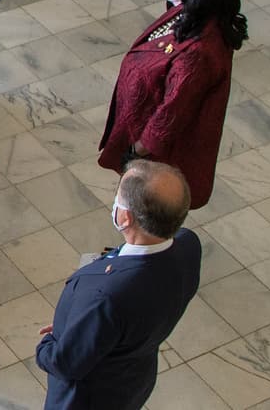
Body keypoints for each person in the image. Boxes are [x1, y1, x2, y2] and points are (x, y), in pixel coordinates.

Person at [35, 160, 202, 410]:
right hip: (132, 379)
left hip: (88, 399)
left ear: (125, 217)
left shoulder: (107, 297)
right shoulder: (189, 243)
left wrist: (51, 342)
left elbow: (65, 363)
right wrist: (83, 324)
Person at [101, 0, 246, 206]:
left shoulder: (199, 53)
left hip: (156, 157)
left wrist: (135, 152)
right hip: (140, 129)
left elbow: (172, 113)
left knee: (146, 207)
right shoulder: (194, 13)